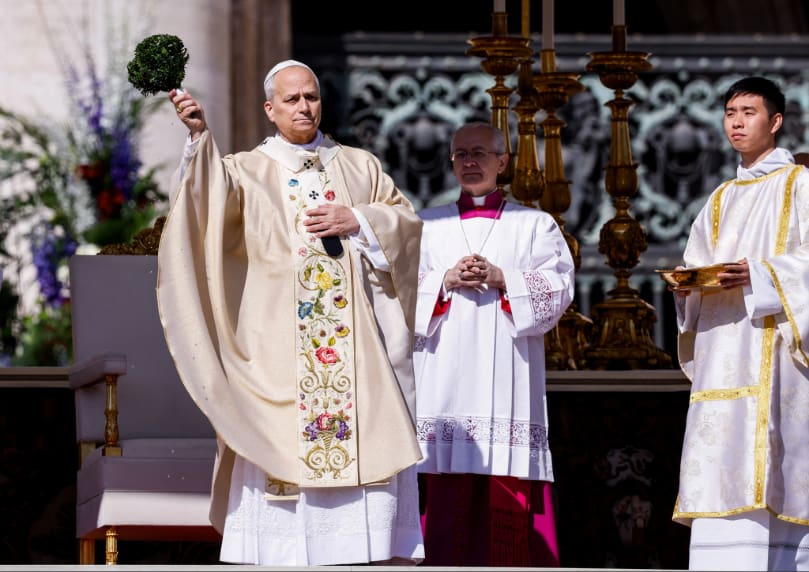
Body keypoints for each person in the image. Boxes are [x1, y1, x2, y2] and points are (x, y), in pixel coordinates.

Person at [156, 59, 424, 566]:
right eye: (292, 99)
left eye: (312, 97)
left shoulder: (359, 165)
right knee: (280, 449)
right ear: (270, 109)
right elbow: (202, 204)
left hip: (358, 355)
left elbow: (406, 224)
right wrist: (199, 138)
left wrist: (358, 219)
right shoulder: (246, 169)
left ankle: (362, 552)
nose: (304, 106)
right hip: (280, 348)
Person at [412, 121, 575, 566]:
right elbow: (397, 291)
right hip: (444, 377)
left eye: (480, 153)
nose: (469, 162)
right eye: (460, 154)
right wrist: (444, 280)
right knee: (441, 493)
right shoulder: (427, 223)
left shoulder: (534, 224)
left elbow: (560, 286)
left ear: (503, 161)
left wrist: (503, 277)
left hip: (507, 378)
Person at [671, 76, 809, 571]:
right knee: (719, 461)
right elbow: (697, 261)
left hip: (775, 354)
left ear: (775, 122)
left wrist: (762, 274)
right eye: (730, 111)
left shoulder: (801, 185)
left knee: (773, 465)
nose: (736, 120)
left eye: (749, 111)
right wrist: (686, 287)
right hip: (721, 355)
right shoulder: (720, 199)